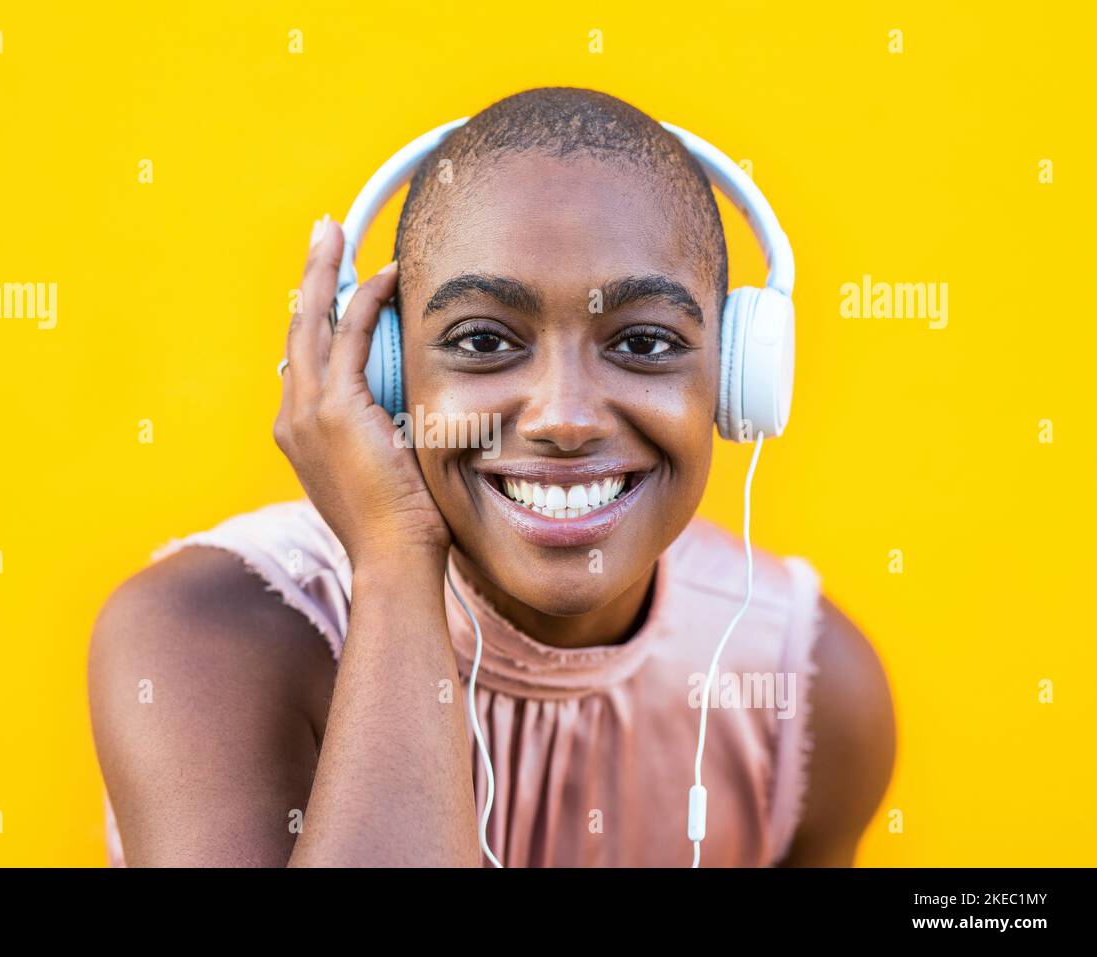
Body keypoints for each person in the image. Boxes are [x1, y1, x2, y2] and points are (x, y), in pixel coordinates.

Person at [88, 87, 896, 867]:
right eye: (483, 342)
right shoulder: (204, 635)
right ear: (383, 371)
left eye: (643, 343)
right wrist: (394, 559)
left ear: (735, 378)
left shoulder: (811, 688)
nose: (564, 418)